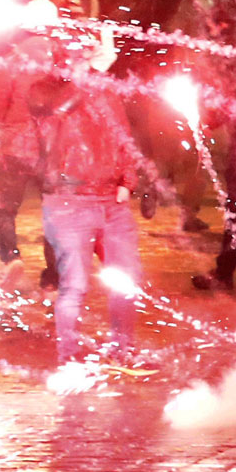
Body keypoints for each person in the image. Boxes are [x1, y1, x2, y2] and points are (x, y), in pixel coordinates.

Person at [28, 25, 153, 366]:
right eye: (80, 51)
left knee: (126, 283)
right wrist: (90, 72)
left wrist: (129, 180)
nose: (87, 57)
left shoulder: (104, 90)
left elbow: (122, 136)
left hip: (111, 203)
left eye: (90, 50)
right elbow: (56, 109)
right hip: (69, 202)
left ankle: (123, 350)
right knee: (75, 286)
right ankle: (69, 358)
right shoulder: (44, 88)